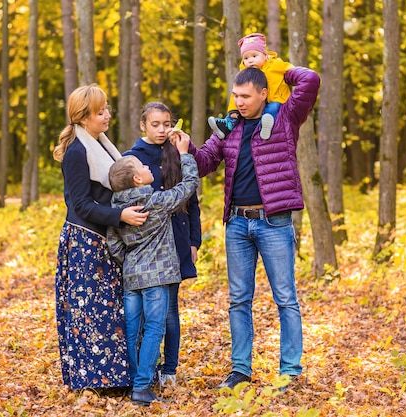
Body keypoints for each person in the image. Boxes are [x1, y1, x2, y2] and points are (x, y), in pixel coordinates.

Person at [184, 66, 321, 390]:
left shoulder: (285, 118)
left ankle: (290, 372)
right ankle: (240, 371)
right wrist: (187, 146)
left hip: (274, 223)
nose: (239, 101)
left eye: (246, 96)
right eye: (236, 95)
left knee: (285, 299)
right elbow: (204, 163)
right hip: (237, 224)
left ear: (263, 94)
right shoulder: (229, 127)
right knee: (238, 300)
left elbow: (310, 80)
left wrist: (274, 68)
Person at [52, 85, 148, 391]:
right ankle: (91, 380)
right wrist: (119, 216)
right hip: (85, 241)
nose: (107, 115)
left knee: (110, 309)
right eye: (100, 111)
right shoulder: (77, 152)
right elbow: (79, 204)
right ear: (84, 117)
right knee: (89, 312)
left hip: (105, 239)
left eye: (107, 109)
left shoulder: (103, 145)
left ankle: (115, 377)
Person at [106, 134, 199, 406]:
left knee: (132, 330)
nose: (148, 168)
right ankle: (143, 386)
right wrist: (186, 155)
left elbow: (114, 245)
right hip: (157, 278)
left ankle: (134, 381)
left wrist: (131, 263)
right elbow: (189, 185)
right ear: (138, 179)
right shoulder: (156, 201)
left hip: (132, 278)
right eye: (143, 168)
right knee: (155, 328)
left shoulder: (118, 209)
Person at [123, 102, 202, 388]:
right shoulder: (132, 159)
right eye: (155, 124)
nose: (162, 129)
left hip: (176, 242)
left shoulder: (177, 153)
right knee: (143, 313)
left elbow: (191, 201)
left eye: (167, 123)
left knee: (169, 310)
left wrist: (194, 241)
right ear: (143, 125)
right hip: (145, 248)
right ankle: (146, 369)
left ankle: (169, 369)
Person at [208, 33, 293, 140]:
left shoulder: (275, 64)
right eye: (246, 58)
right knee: (238, 105)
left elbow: (291, 69)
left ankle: (264, 127)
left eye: (254, 56)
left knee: (271, 110)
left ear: (265, 55)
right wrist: (233, 110)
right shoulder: (245, 72)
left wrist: (299, 77)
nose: (250, 60)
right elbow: (237, 95)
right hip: (254, 104)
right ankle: (226, 125)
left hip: (276, 99)